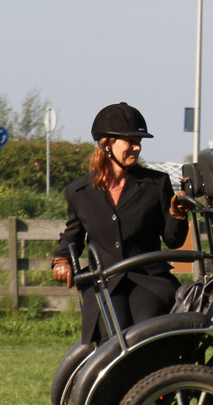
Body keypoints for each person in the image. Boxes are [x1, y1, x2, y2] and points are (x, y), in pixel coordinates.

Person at [52, 102, 191, 343]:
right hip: (105, 280)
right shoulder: (79, 192)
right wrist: (62, 259)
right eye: (131, 141)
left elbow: (173, 240)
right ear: (107, 144)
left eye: (139, 142)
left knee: (147, 330)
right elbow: (73, 235)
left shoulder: (156, 184)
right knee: (114, 335)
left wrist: (177, 216)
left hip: (148, 279)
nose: (137, 147)